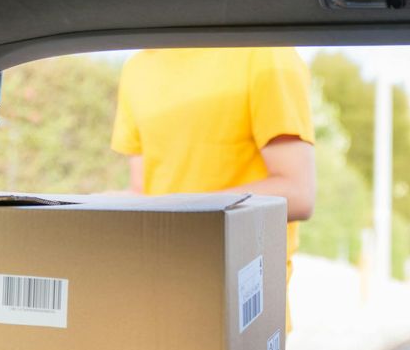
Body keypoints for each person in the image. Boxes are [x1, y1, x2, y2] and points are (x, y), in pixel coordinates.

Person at [111, 47, 316, 332]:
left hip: (242, 305)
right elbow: (142, 191)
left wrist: (180, 212)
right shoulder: (137, 67)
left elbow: (297, 192)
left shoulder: (263, 52)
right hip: (162, 297)